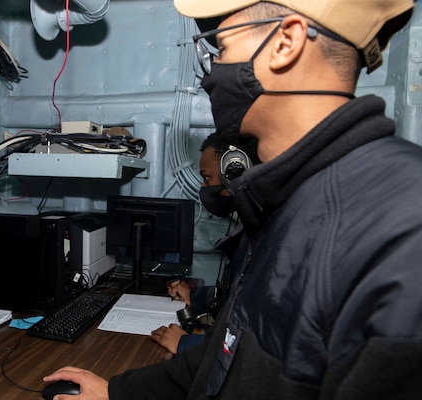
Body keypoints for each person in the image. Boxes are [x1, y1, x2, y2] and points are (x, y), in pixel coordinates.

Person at [44, 1, 422, 399]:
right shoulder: (284, 200)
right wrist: (116, 393)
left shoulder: (402, 225)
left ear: (285, 43)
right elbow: (224, 356)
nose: (211, 70)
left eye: (221, 48)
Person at [151, 131, 258, 356]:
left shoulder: (261, 239)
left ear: (234, 173)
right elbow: (235, 297)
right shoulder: (250, 230)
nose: (203, 185)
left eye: (206, 177)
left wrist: (186, 344)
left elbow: (251, 342)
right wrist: (195, 296)